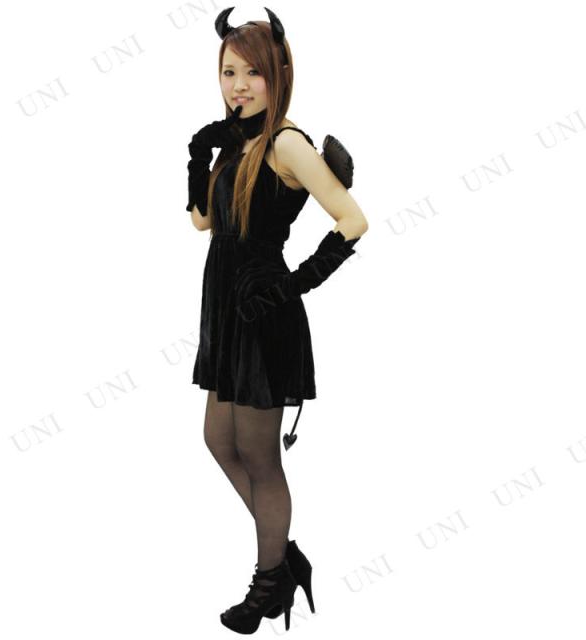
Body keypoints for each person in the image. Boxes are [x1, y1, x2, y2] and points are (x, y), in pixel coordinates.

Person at [186, 7, 369, 633]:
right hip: (224, 311)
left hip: (263, 314)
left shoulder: (287, 143)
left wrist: (290, 288)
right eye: (228, 72)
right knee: (218, 440)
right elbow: (203, 222)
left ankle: (269, 584)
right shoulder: (237, 140)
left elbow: (353, 220)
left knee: (260, 457)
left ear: (279, 75)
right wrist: (199, 156)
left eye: (252, 73)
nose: (238, 85)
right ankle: (285, 555)